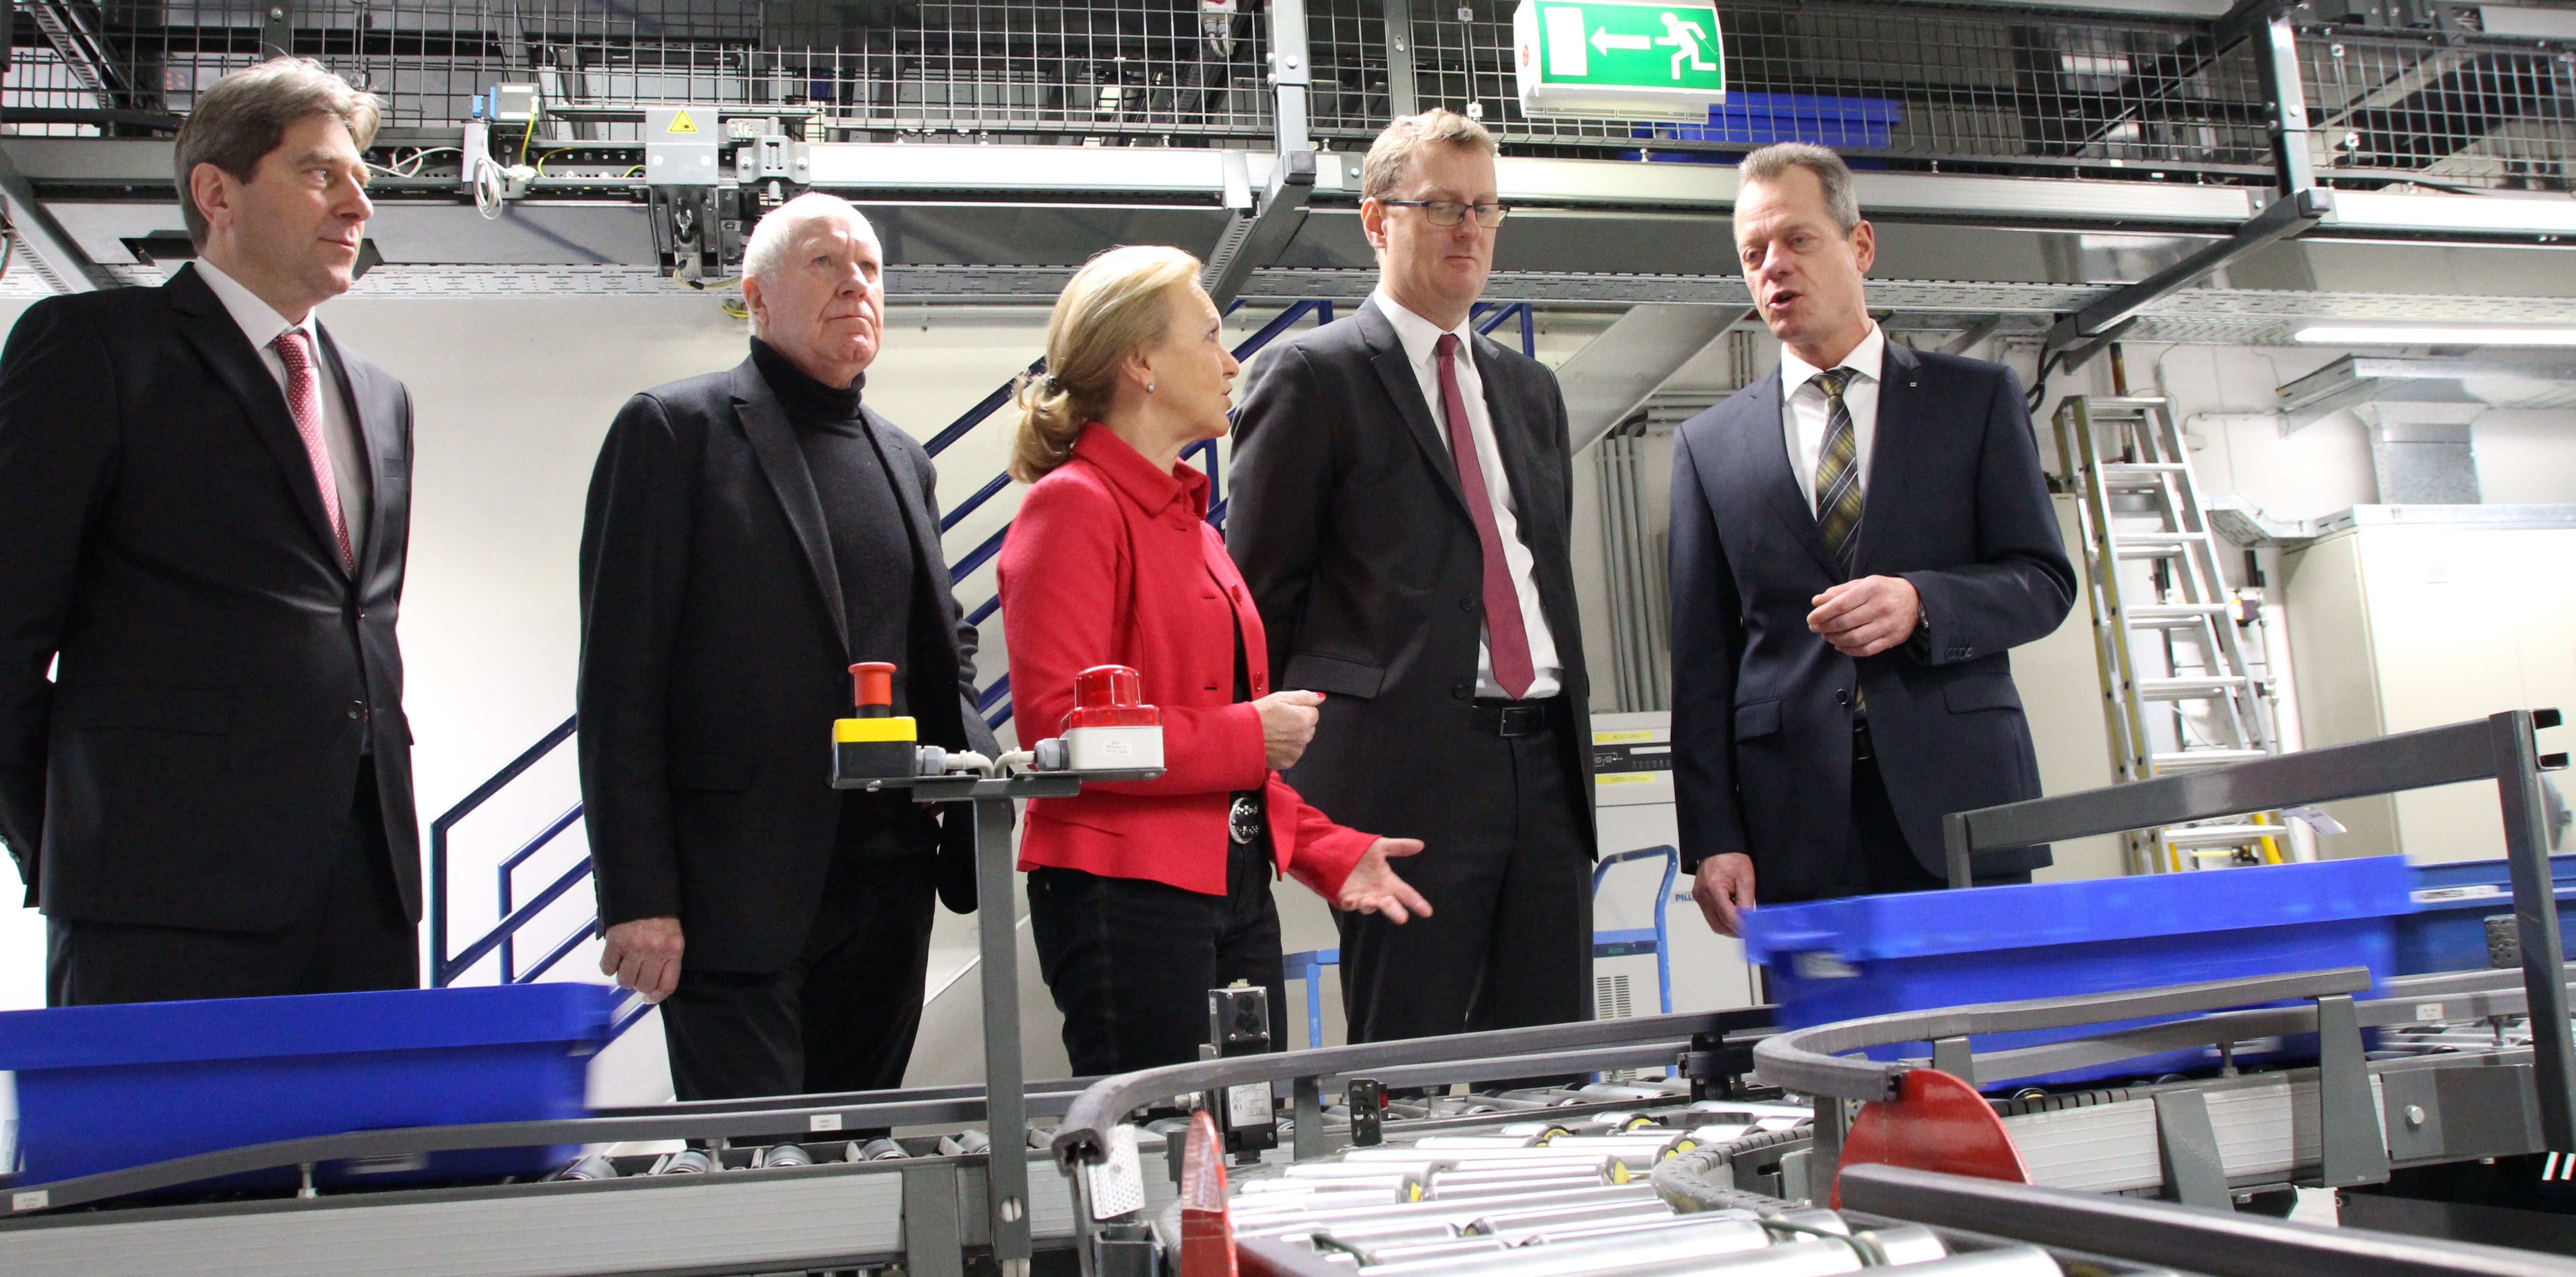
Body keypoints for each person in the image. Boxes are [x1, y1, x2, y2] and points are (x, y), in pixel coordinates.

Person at [0, 59, 419, 1005]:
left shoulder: (379, 397)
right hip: (155, 894)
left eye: (362, 178)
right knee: (168, 1159)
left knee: (364, 1149)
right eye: (321, 173)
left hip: (365, 891)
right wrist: (75, 842)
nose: (358, 205)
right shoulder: (97, 351)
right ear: (215, 192)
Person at [578, 193, 997, 1100]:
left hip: (887, 881)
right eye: (824, 263)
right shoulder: (674, 431)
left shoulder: (902, 456)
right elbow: (621, 681)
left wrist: (983, 784)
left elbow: (944, 648)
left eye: (871, 268)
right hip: (735, 887)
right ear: (757, 296)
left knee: (865, 1160)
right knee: (754, 1182)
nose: (855, 282)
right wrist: (638, 894)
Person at [998, 245, 1432, 1076]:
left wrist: (1326, 848)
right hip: (1124, 893)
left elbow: (1233, 753)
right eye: (1208, 337)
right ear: (1140, 362)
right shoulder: (1072, 509)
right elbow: (1063, 732)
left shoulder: (1192, 529)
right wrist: (1245, 737)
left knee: (1248, 1135)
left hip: (1231, 884)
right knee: (1169, 1153)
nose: (1232, 362)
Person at [1226, 110, 1596, 1044]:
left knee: (1552, 1055)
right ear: (1375, 220)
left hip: (1545, 765)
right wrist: (1283, 790)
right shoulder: (1310, 377)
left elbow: (1537, 575)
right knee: (1408, 1060)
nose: (1468, 230)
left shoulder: (1529, 390)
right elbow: (1258, 602)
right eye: (1440, 208)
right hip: (1404, 775)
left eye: (1483, 209)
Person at [1669, 143, 2077, 937]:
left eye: (1796, 240)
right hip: (1793, 820)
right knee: (1830, 1056)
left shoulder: (1976, 400)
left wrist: (1923, 602)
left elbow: (2043, 581)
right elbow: (1701, 660)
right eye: (1752, 254)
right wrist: (1713, 837)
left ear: (1859, 245)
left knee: (1984, 1045)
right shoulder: (1709, 446)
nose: (1772, 267)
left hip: (1961, 801)